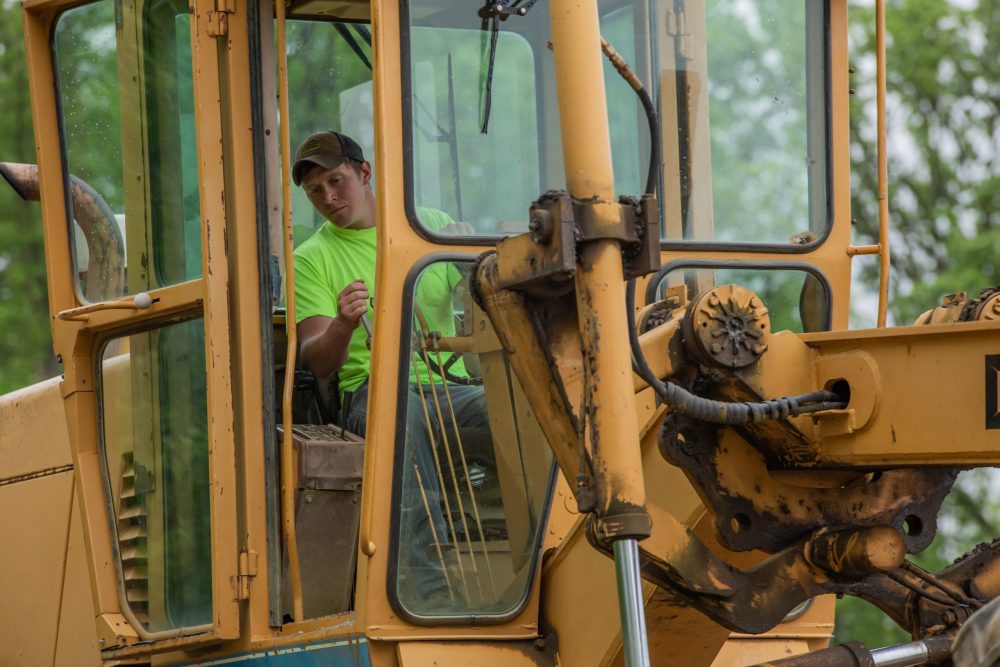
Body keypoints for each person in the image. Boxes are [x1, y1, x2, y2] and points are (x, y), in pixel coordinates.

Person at [291, 131, 491, 611]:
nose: (328, 198)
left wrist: (474, 268)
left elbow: (479, 315)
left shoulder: (431, 228)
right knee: (403, 419)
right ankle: (427, 594)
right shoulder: (311, 258)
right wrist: (343, 323)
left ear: (364, 173)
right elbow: (318, 359)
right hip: (371, 396)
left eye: (336, 181)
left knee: (519, 407)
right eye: (315, 191)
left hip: (450, 391)